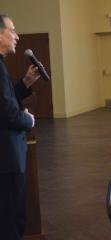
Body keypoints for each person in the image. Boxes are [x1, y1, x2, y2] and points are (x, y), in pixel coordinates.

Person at [0, 14, 40, 240]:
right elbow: (7, 113)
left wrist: (25, 83)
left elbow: (5, 101)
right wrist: (29, 121)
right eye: (12, 30)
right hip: (5, 160)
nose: (17, 35)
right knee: (11, 221)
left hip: (7, 158)